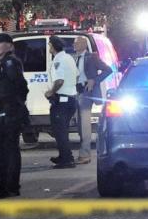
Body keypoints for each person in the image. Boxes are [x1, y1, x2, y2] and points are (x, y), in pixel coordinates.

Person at [0, 33, 29, 197]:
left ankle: (9, 184)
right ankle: (7, 183)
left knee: (8, 148)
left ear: (10, 46)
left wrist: (12, 103)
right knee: (6, 148)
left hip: (10, 110)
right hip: (8, 109)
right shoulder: (5, 63)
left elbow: (20, 86)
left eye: (0, 43)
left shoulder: (9, 63)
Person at [72, 36, 112, 164]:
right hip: (76, 92)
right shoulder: (73, 58)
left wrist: (95, 80)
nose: (74, 45)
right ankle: (83, 152)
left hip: (87, 91)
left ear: (83, 45)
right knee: (79, 124)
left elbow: (108, 70)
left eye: (77, 43)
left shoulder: (92, 57)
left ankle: (85, 154)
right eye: (74, 43)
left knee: (84, 124)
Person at [45, 35, 78, 169]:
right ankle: (64, 156)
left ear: (52, 46)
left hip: (62, 100)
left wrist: (50, 92)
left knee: (60, 131)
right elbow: (76, 74)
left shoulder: (59, 60)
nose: (48, 47)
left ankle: (67, 159)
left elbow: (59, 81)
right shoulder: (68, 58)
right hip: (71, 99)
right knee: (62, 130)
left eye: (49, 45)